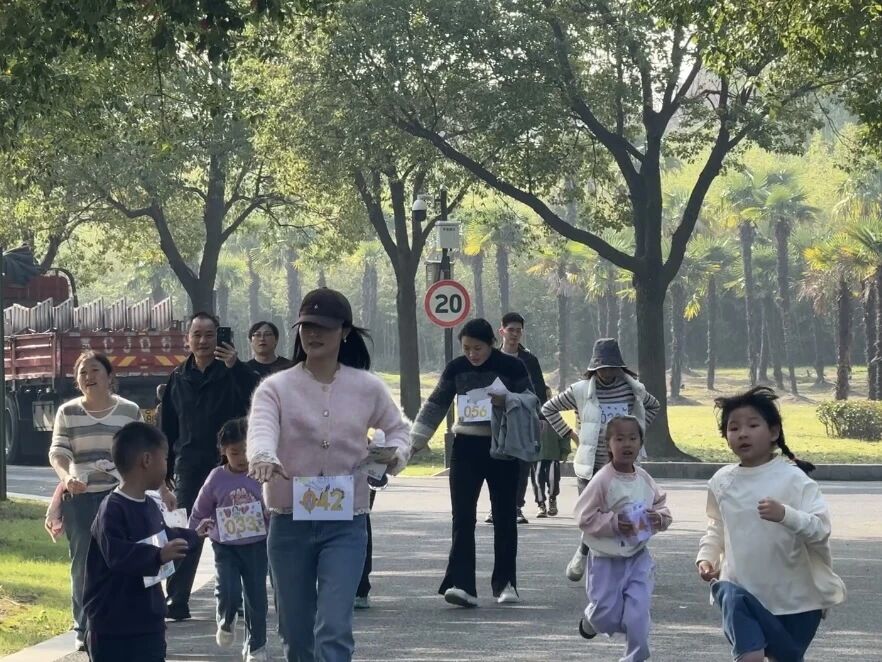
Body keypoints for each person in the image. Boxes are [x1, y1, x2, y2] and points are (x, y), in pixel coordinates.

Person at [247, 287, 410, 662]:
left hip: (346, 524)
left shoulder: (367, 387)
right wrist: (263, 456)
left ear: (344, 331)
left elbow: (399, 430)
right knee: (296, 632)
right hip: (288, 524)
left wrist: (394, 454)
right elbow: (261, 430)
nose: (313, 334)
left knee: (334, 627)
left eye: (323, 327)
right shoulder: (275, 388)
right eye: (307, 326)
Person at [696, 387, 846, 662]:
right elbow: (716, 525)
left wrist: (786, 515)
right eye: (733, 428)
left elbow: (821, 529)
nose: (742, 433)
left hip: (796, 600)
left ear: (774, 432)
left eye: (753, 425)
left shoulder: (794, 479)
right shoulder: (721, 481)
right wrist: (706, 557)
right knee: (750, 656)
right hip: (740, 591)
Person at [48, 350, 167, 651]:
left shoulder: (129, 411)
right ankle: (84, 626)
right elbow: (59, 452)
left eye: (95, 371)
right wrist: (67, 478)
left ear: (110, 376)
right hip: (81, 497)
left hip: (123, 499)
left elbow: (146, 451)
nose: (89, 377)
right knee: (83, 564)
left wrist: (163, 488)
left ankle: (130, 619)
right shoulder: (67, 412)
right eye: (83, 373)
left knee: (131, 557)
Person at [410, 318, 534, 607]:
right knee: (463, 517)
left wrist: (507, 399)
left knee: (504, 516)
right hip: (466, 446)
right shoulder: (456, 368)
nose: (472, 354)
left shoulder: (512, 366)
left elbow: (531, 400)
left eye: (477, 348)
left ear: (491, 343)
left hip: (503, 447)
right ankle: (462, 584)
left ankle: (506, 584)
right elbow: (436, 403)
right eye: (466, 348)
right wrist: (416, 441)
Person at [82, 422, 211, 662]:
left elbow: (164, 536)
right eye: (165, 458)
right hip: (113, 627)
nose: (167, 465)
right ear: (147, 460)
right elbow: (117, 555)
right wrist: (157, 556)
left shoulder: (150, 505)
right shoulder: (112, 509)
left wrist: (194, 535)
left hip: (148, 621)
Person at [161, 312, 257, 621]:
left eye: (209, 335)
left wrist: (236, 367)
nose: (203, 341)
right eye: (197, 335)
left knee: (236, 531)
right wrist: (165, 470)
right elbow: (168, 427)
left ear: (219, 337)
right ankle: (177, 599)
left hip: (229, 465)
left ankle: (237, 597)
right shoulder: (177, 377)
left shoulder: (233, 371)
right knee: (185, 531)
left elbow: (257, 399)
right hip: (189, 466)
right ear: (187, 339)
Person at [540, 337, 660, 583]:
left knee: (630, 513)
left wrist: (636, 434)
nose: (607, 373)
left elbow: (653, 406)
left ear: (620, 367)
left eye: (612, 368)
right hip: (591, 465)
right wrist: (572, 435)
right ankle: (584, 553)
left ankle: (637, 559)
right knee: (592, 515)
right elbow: (548, 409)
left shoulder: (633, 389)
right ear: (594, 368)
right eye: (602, 368)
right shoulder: (580, 390)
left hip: (624, 467)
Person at [575, 415, 672, 662]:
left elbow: (661, 505)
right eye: (619, 439)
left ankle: (635, 657)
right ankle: (591, 620)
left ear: (641, 443)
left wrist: (659, 518)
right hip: (606, 560)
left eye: (632, 438)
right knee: (604, 615)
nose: (627, 444)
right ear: (608, 445)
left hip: (638, 557)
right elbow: (583, 517)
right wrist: (615, 523)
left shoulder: (644, 478)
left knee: (637, 615)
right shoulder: (602, 480)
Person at [189, 418, 268, 662]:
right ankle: (226, 618)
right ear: (223, 451)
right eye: (235, 452)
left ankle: (256, 647)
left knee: (257, 598)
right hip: (225, 546)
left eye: (246, 450)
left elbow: (274, 505)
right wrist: (192, 533)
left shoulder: (261, 474)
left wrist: (271, 516)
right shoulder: (216, 478)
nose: (242, 458)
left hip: (256, 545)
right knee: (228, 589)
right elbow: (199, 511)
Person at [485, 311, 547, 525]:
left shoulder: (529, 360)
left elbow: (539, 390)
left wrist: (541, 417)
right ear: (501, 331)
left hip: (522, 416)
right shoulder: (491, 358)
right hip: (495, 417)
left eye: (518, 331)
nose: (514, 334)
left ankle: (516, 506)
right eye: (510, 330)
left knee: (521, 461)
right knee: (496, 462)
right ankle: (495, 507)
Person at [531, 386, 571, 518]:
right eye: (543, 396)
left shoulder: (555, 416)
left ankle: (552, 499)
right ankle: (541, 504)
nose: (546, 399)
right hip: (536, 455)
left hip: (553, 454)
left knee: (553, 479)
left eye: (549, 396)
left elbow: (564, 434)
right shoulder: (532, 416)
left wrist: (564, 451)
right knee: (537, 480)